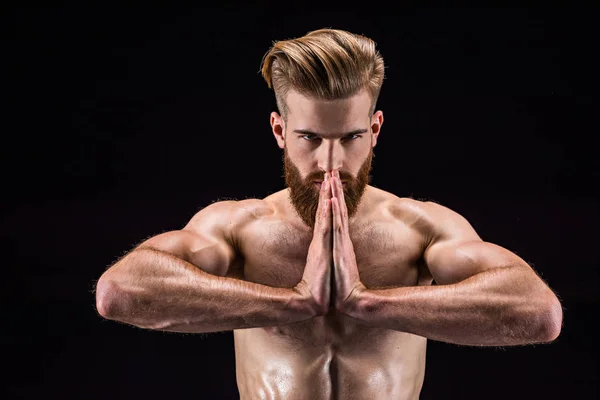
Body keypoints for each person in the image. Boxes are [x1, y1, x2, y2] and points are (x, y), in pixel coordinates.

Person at [95, 28, 563, 399]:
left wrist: (367, 302)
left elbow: (538, 313)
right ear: (280, 130)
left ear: (375, 128)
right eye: (311, 139)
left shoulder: (420, 229)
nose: (331, 164)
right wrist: (296, 301)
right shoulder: (239, 228)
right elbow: (120, 291)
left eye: (351, 138)